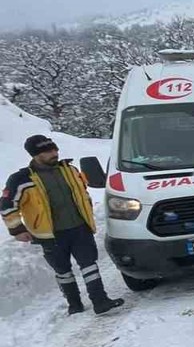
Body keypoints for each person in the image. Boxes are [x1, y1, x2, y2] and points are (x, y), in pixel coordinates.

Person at [2, 134, 124, 315]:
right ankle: (74, 304)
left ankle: (100, 301)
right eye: (48, 151)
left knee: (89, 264)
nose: (54, 153)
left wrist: (88, 213)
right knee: (63, 270)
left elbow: (83, 193)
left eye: (55, 149)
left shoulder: (70, 170)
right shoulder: (21, 179)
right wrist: (17, 229)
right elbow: (6, 205)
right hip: (49, 234)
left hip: (79, 227)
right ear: (36, 155)